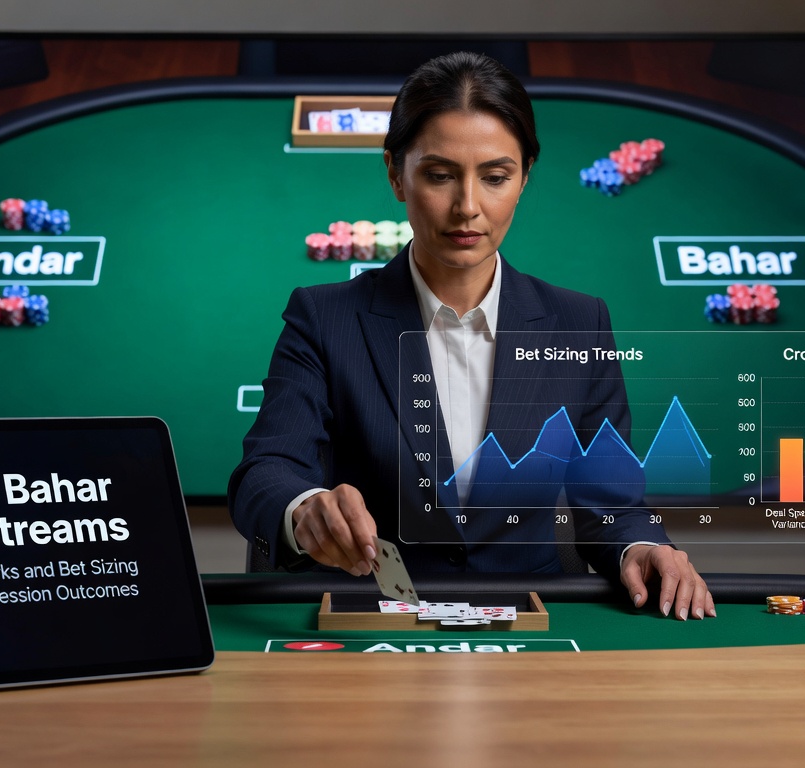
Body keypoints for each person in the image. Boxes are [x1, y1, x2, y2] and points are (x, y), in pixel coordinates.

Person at [229, 52, 715, 620]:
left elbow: (612, 506)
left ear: (525, 177)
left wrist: (643, 547)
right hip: (369, 624)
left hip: (533, 631)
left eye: (495, 177)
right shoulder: (322, 316)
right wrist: (305, 508)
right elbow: (265, 472)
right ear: (395, 174)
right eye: (439, 175)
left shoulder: (581, 323)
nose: (468, 207)